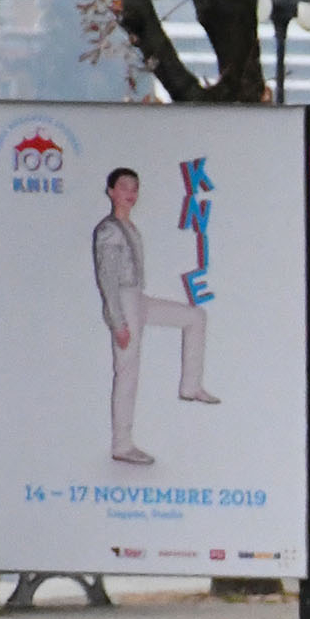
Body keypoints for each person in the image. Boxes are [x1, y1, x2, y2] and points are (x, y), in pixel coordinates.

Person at [93, 165, 218, 467]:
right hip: (124, 299)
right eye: (124, 188)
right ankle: (122, 443)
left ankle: (190, 385)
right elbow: (107, 279)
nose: (130, 194)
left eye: (134, 188)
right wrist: (117, 321)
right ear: (111, 192)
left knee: (194, 317)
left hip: (137, 296)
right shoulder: (109, 230)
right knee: (128, 371)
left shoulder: (129, 227)